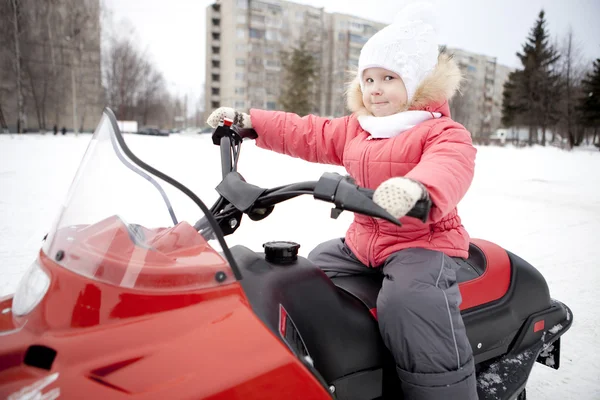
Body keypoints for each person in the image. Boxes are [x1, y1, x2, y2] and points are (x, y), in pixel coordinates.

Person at [207, 3, 477, 399]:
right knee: (303, 274)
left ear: (419, 83)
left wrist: (417, 190)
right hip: (364, 243)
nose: (375, 89)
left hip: (423, 243)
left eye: (388, 77)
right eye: (368, 79)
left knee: (410, 302)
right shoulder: (360, 129)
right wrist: (251, 123)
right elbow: (308, 132)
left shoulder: (441, 132)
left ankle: (445, 392)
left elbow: (449, 167)